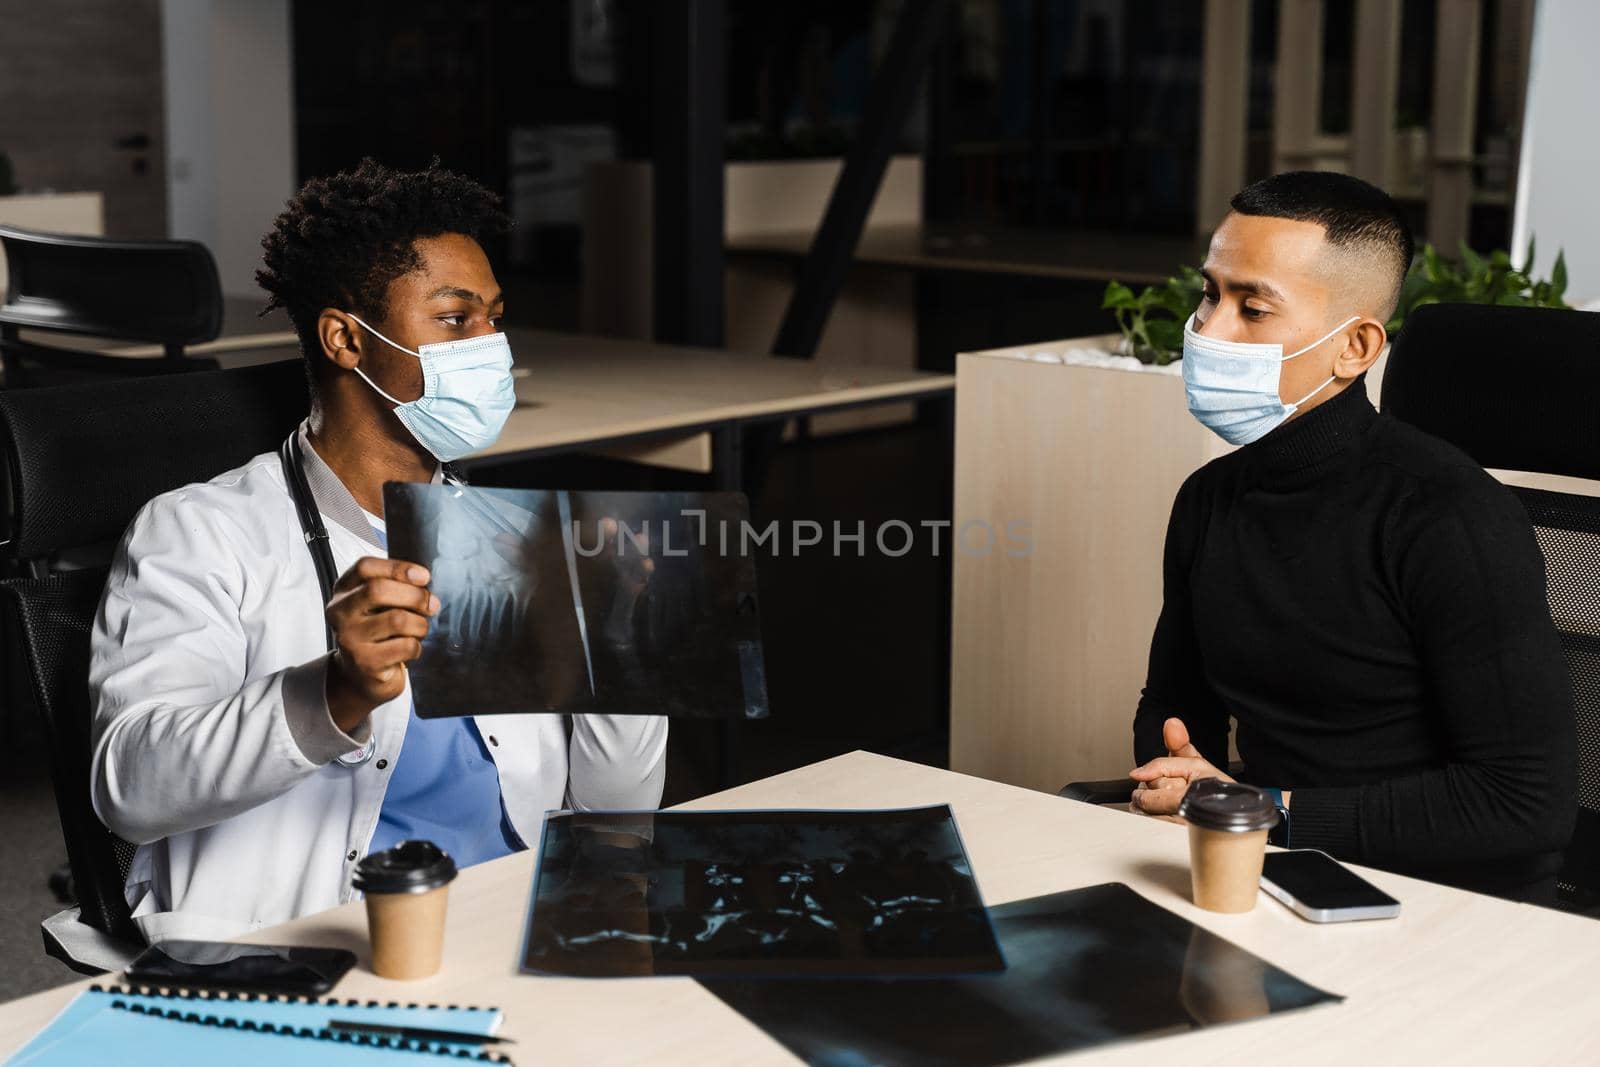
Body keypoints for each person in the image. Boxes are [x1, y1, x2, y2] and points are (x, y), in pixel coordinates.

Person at [89, 160, 668, 942]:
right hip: (322, 946)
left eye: (496, 319)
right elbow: (130, 785)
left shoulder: (518, 537)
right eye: (456, 321)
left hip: (514, 920)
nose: (492, 348)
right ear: (345, 339)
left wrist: (621, 650)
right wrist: (335, 690)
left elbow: (614, 809)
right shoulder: (199, 532)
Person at [1127, 170, 1576, 901]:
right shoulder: (1208, 501)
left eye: (1253, 306)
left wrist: (1270, 810)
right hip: (1277, 867)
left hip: (1448, 904)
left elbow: (1524, 805)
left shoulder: (1451, 519)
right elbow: (1175, 708)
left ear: (1355, 347)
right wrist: (1182, 776)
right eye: (1211, 293)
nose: (1209, 328)